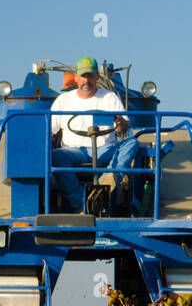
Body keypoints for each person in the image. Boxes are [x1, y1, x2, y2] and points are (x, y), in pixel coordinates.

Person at [49, 57, 140, 213]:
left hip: (105, 149)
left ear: (97, 77)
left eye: (90, 75)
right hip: (74, 151)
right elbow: (49, 131)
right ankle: (83, 206)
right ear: (76, 77)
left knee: (131, 143)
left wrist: (120, 124)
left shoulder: (109, 98)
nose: (87, 80)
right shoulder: (63, 101)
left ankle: (109, 179)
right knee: (57, 156)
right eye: (83, 76)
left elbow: (124, 125)